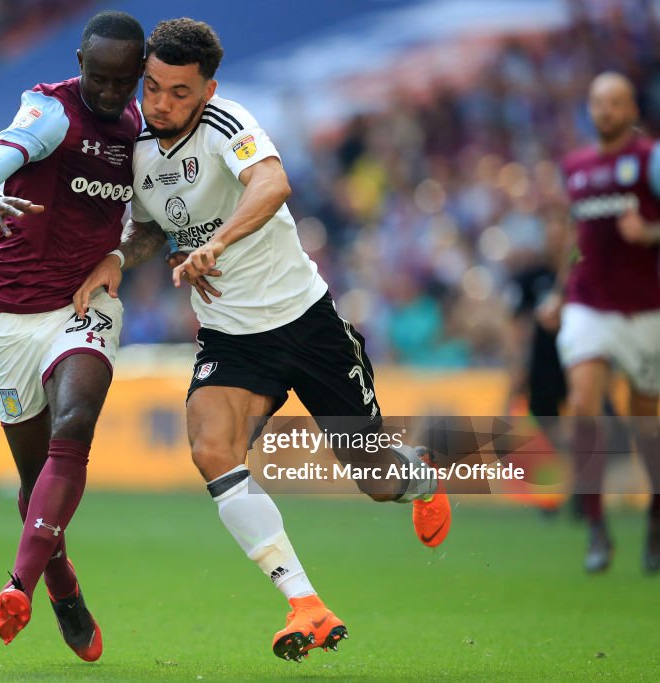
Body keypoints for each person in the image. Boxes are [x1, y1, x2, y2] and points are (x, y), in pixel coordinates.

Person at [73, 18, 450, 663]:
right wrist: (118, 257)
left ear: (209, 91)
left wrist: (219, 241)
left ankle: (418, 477)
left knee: (377, 481)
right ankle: (304, 602)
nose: (161, 103)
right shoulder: (134, 145)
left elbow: (272, 184)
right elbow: (148, 231)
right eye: (153, 87)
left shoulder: (229, 125)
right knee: (212, 448)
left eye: (179, 93)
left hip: (307, 325)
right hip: (232, 338)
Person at [0, 10, 145, 658]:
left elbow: (151, 220)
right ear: (80, 62)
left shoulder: (141, 132)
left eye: (125, 81)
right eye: (99, 76)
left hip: (82, 303)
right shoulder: (50, 112)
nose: (111, 92)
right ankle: (63, 584)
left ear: (140, 74)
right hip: (9, 315)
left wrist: (118, 257)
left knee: (75, 423)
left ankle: (20, 583)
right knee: (34, 476)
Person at [537, 71, 660, 574]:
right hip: (589, 304)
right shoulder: (576, 167)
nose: (605, 111)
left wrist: (651, 232)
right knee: (584, 403)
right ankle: (595, 525)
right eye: (597, 102)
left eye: (615, 103)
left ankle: (655, 519)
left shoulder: (651, 158)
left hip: (646, 307)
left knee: (646, 420)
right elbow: (574, 236)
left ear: (632, 109)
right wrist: (560, 291)